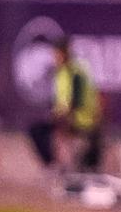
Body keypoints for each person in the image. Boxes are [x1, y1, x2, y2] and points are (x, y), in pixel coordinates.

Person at [27, 38, 104, 197]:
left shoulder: (77, 72)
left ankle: (73, 168)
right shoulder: (61, 72)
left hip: (82, 121)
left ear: (63, 53)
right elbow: (61, 100)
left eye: (56, 54)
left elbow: (77, 102)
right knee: (36, 130)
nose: (54, 57)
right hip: (68, 119)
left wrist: (61, 115)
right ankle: (54, 166)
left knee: (46, 130)